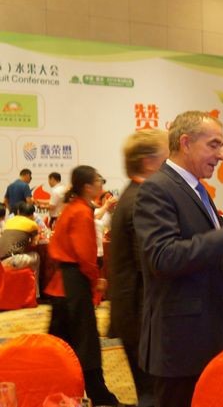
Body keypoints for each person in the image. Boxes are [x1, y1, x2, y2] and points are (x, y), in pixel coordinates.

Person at [133, 111, 223, 407]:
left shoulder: (194, 188)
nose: (222, 154)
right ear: (185, 143)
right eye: (214, 145)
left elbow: (197, 235)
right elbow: (163, 256)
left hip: (208, 329)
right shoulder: (157, 189)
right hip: (181, 343)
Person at [47, 165, 118, 406]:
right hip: (74, 285)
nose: (101, 184)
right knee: (85, 344)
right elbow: (85, 254)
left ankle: (60, 393)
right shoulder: (81, 211)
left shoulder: (71, 208)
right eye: (99, 180)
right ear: (88, 187)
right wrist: (95, 279)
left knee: (62, 345)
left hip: (62, 285)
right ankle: (100, 397)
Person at [108, 128, 169, 406]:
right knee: (153, 393)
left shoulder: (133, 194)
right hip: (142, 315)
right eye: (166, 158)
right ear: (149, 162)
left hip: (135, 312)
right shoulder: (142, 200)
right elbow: (151, 264)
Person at [0, 202, 41, 295]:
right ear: (32, 214)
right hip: (13, 260)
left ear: (18, 212)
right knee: (36, 256)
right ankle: (35, 293)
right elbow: (34, 244)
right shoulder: (32, 224)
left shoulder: (9, 221)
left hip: (1, 262)